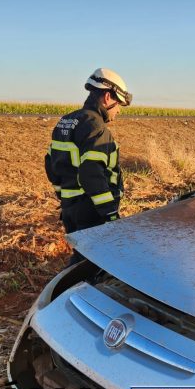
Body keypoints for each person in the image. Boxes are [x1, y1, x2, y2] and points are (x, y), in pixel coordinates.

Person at [45, 68, 132, 265]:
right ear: (108, 97)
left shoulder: (65, 122)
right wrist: (110, 213)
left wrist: (63, 196)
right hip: (91, 212)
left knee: (82, 257)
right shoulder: (96, 128)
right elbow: (91, 173)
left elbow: (50, 164)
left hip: (70, 209)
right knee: (92, 264)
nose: (118, 111)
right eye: (119, 104)